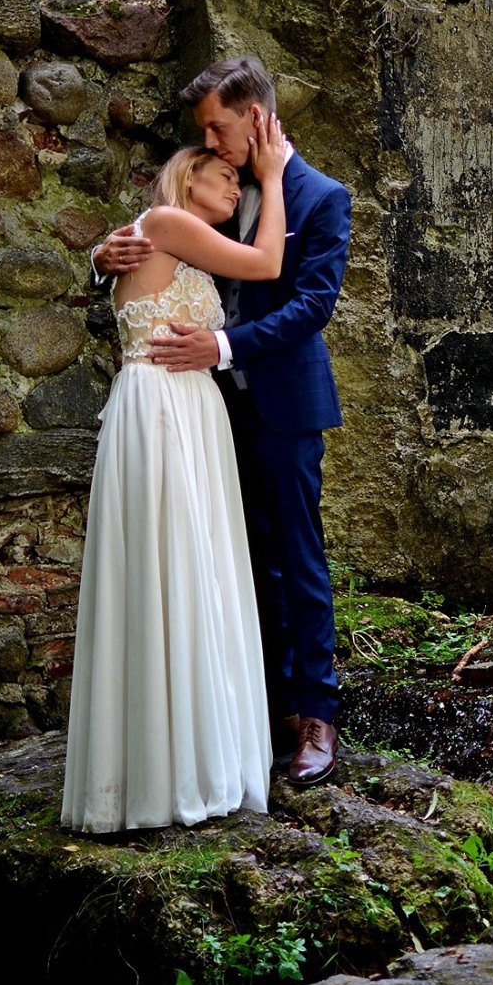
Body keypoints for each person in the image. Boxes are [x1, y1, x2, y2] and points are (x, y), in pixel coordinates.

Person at [93, 57, 352, 786]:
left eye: (217, 124)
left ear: (256, 113)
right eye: (203, 129)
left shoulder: (320, 196)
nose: (209, 139)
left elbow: (312, 307)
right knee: (237, 558)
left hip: (281, 399)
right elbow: (158, 256)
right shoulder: (212, 185)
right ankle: (254, 712)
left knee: (298, 556)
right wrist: (99, 256)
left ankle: (316, 717)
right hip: (203, 412)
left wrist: (222, 345)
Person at [62, 129, 290, 832]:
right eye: (223, 175)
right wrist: (275, 176)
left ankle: (187, 756)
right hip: (162, 410)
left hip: (185, 410)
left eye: (244, 180)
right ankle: (164, 774)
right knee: (170, 567)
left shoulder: (166, 236)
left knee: (192, 572)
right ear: (186, 177)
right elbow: (267, 261)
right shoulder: (163, 222)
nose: (237, 186)